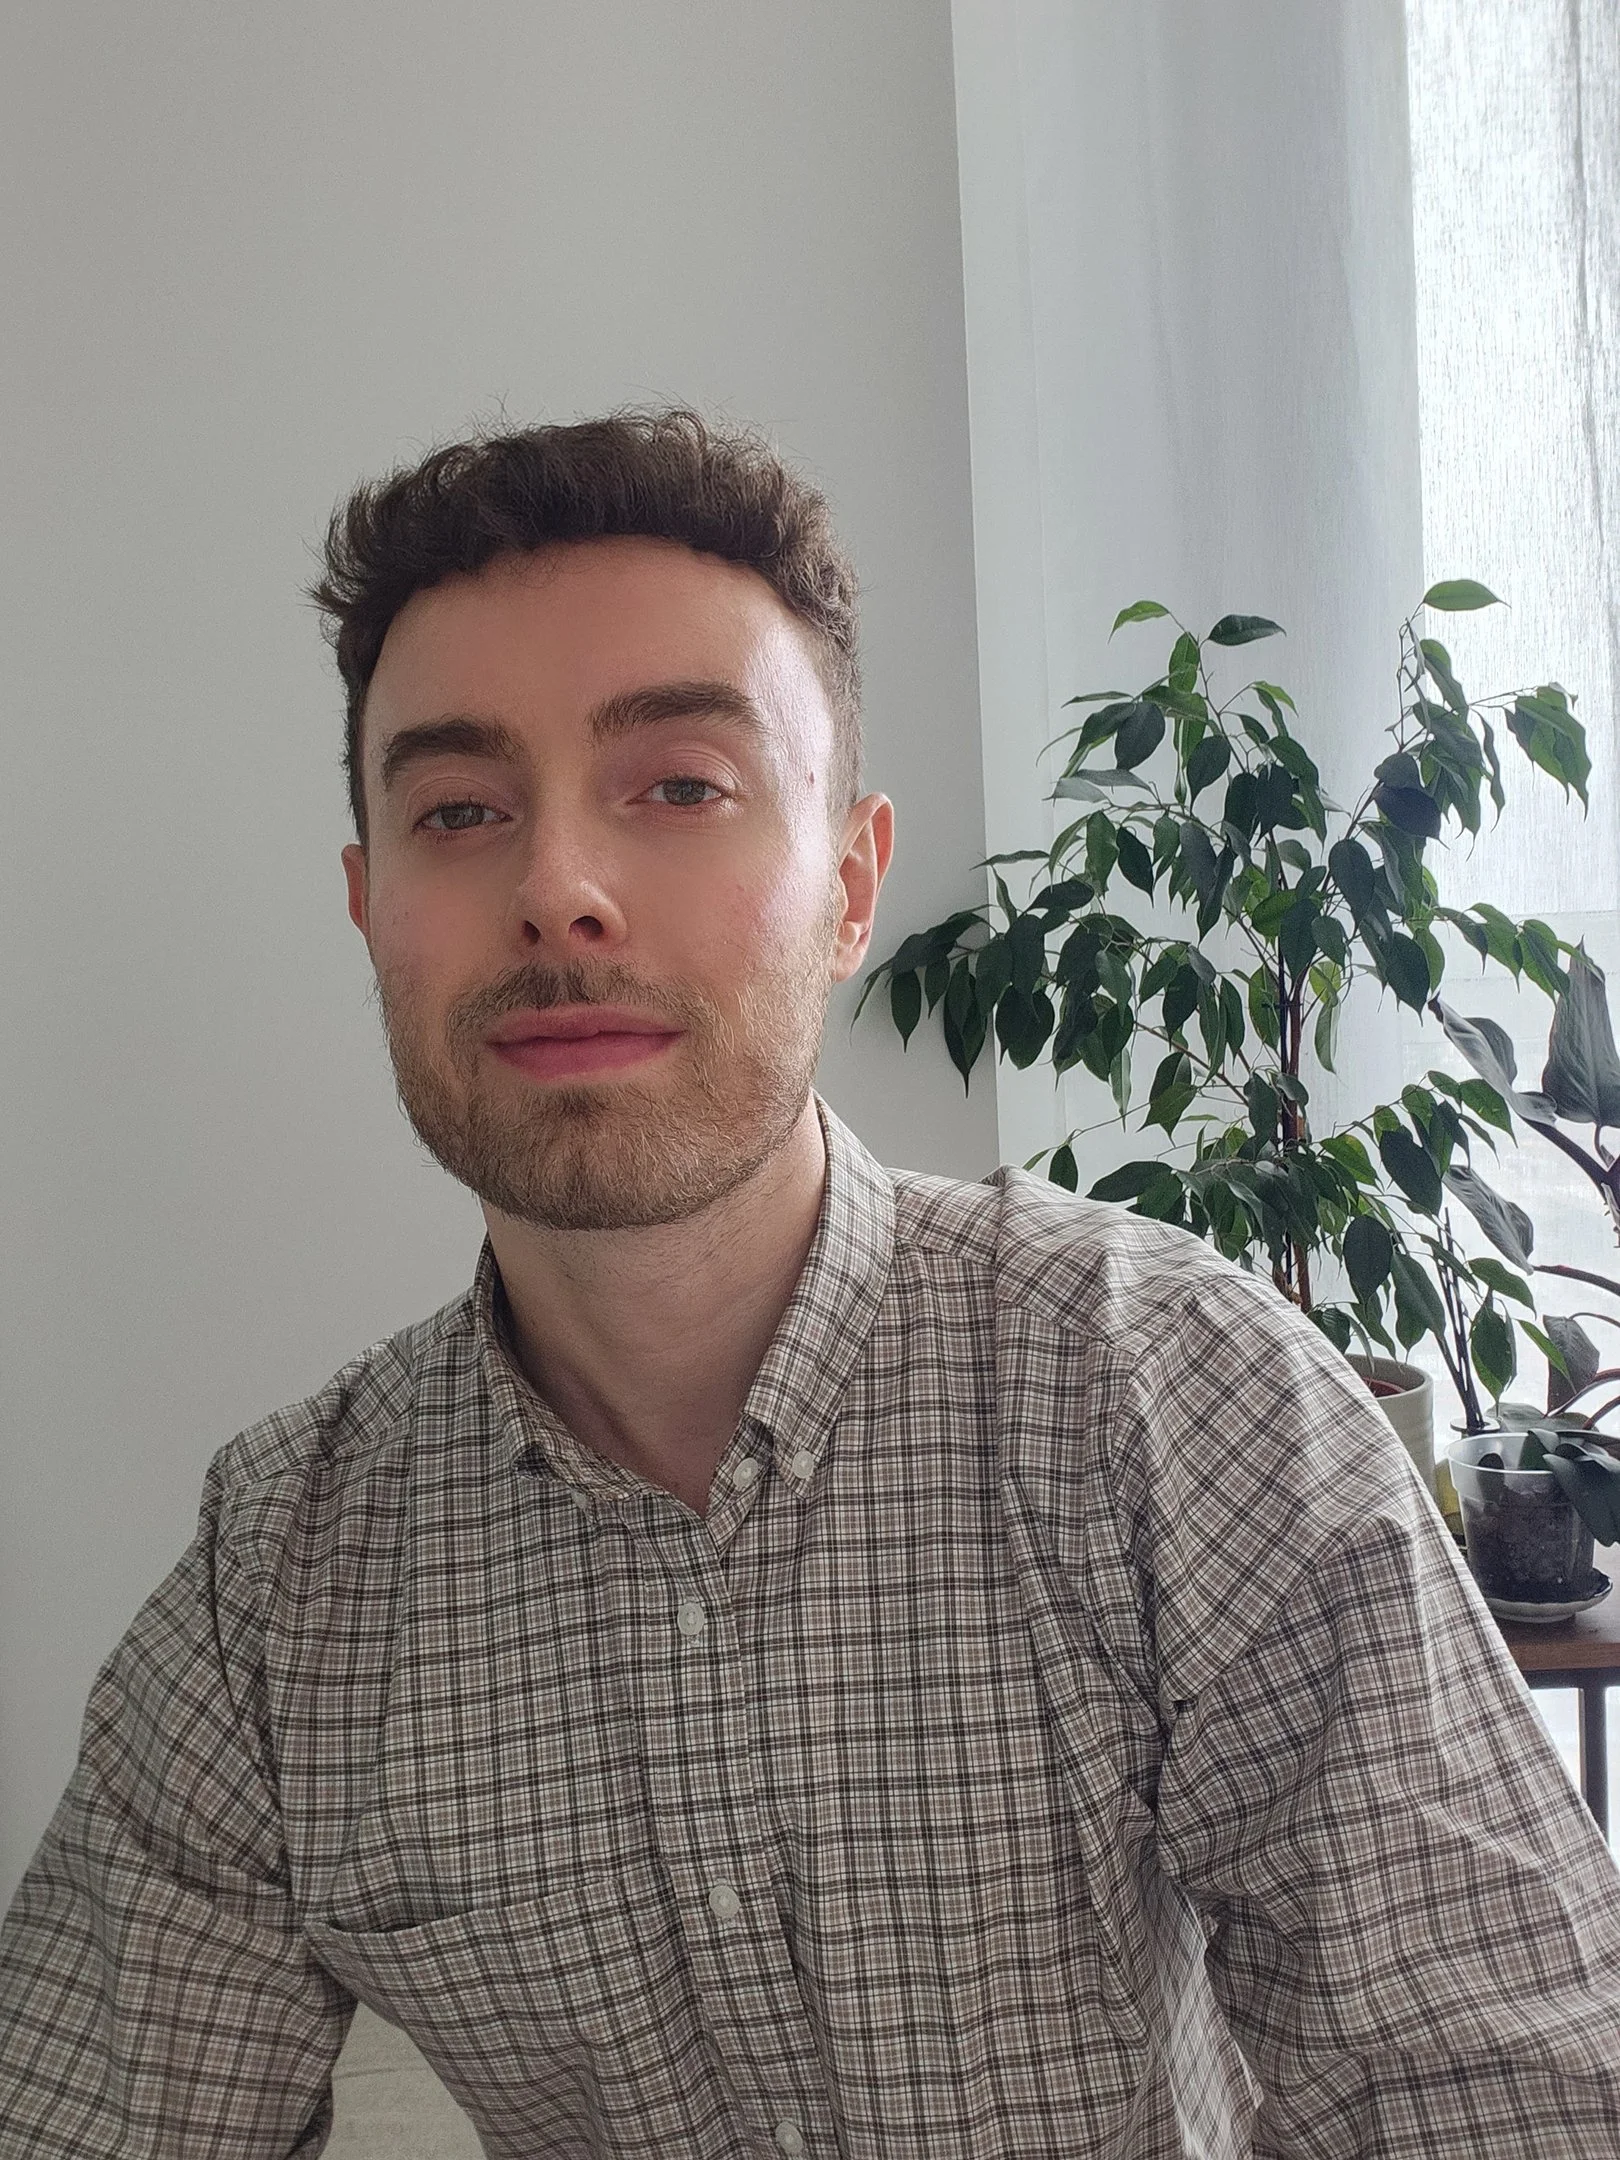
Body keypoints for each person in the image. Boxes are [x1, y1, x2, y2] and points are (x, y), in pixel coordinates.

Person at [3, 409, 1618, 2160]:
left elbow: (1502, 2089)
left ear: (849, 887)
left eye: (678, 786)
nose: (557, 888)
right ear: (370, 904)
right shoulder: (286, 1581)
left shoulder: (1166, 1392)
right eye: (459, 811)